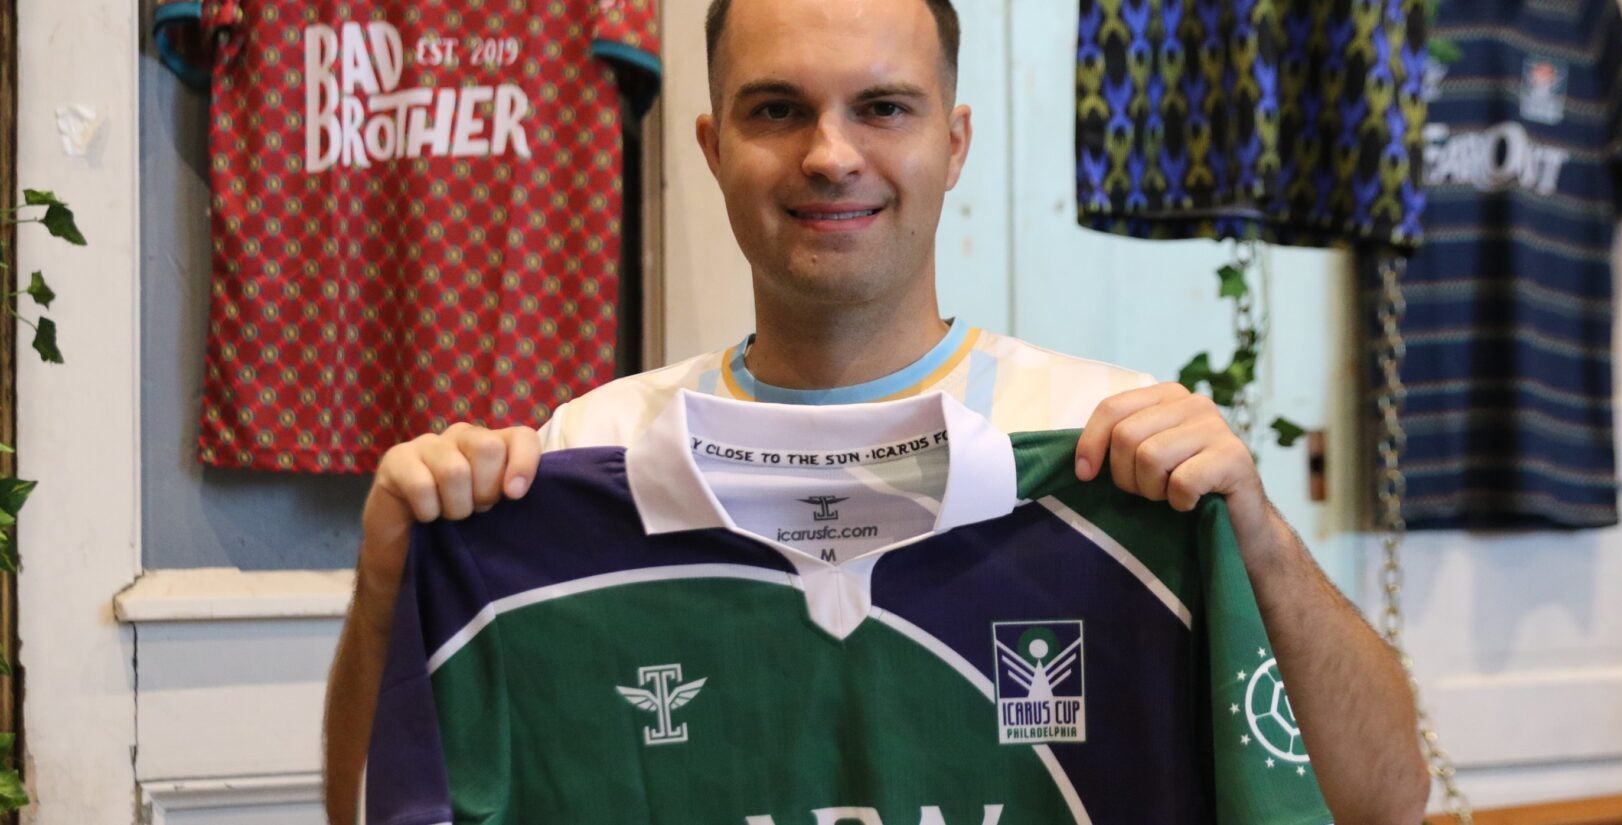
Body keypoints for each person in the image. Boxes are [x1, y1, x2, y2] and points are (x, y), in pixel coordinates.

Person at [323, 0, 1431, 821]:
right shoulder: (577, 458)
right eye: (776, 110)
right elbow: (374, 806)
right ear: (714, 151)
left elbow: (1379, 799)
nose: (829, 153)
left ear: (952, 143)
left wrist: (1256, 541)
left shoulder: (1114, 449)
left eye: (882, 107)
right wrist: (390, 574)